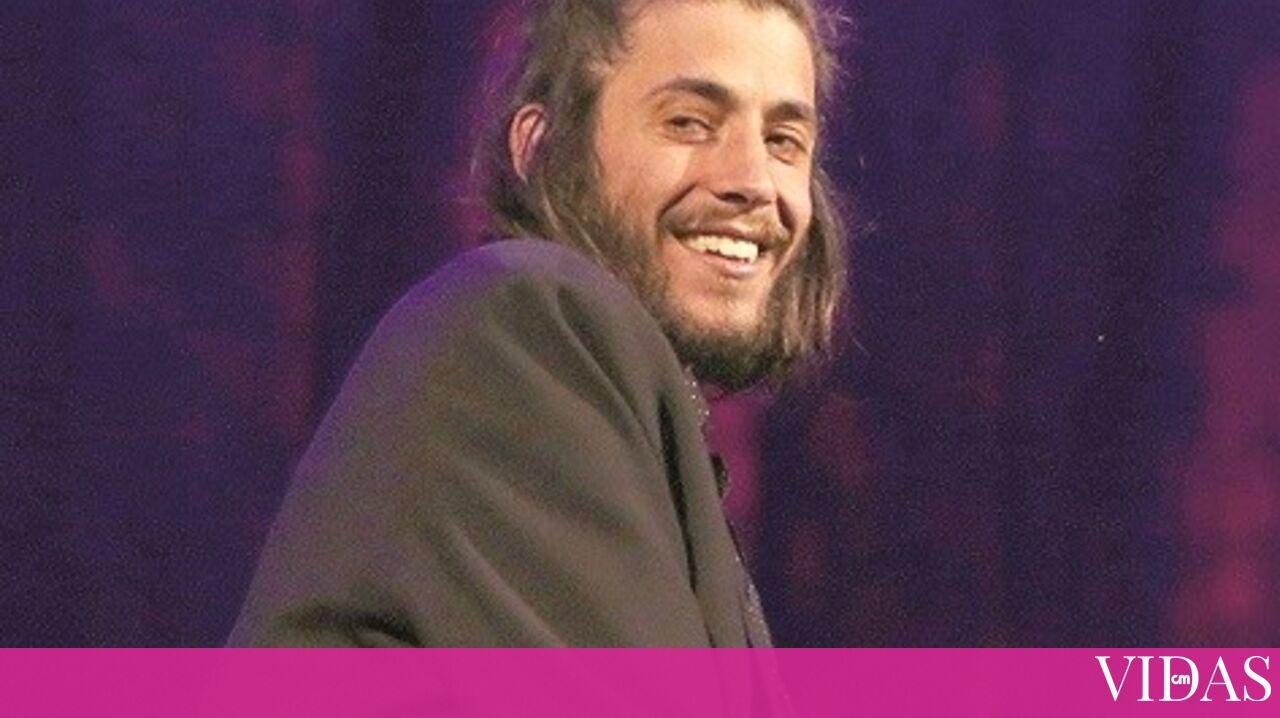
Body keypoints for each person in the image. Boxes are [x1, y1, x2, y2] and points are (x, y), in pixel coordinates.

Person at [229, 0, 847, 647]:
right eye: (689, 123)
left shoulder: (633, 415)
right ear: (542, 147)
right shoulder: (532, 319)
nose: (753, 181)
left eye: (783, 141)